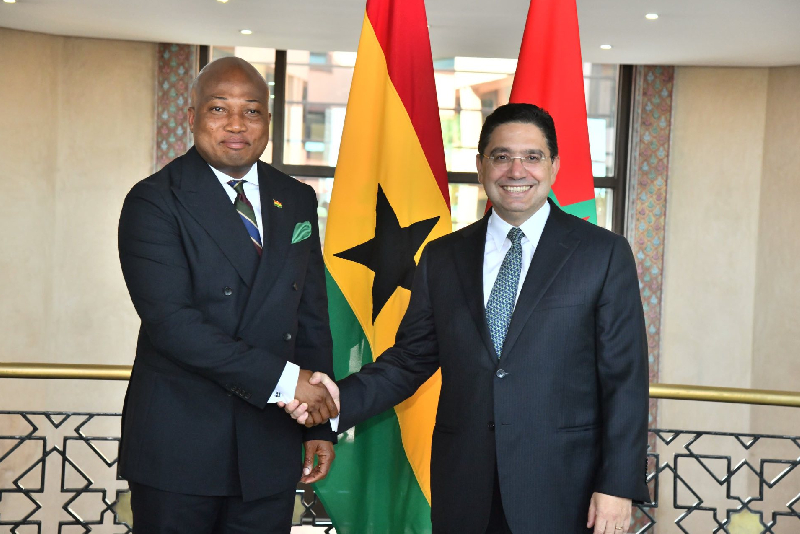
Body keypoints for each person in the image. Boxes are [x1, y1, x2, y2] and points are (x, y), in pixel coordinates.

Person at [283, 104, 650, 533]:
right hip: (465, 488)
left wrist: (617, 486)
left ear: (554, 166)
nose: (517, 170)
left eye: (532, 157)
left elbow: (625, 380)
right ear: (480, 166)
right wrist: (335, 402)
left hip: (566, 490)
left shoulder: (602, 254)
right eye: (501, 156)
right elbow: (410, 360)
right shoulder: (442, 257)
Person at [117, 56, 339, 533]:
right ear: (192, 116)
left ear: (268, 121)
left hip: (269, 443)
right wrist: (287, 382)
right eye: (219, 109)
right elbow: (173, 326)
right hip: (181, 444)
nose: (237, 124)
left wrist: (318, 422)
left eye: (252, 111)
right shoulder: (154, 200)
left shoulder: (296, 198)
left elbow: (310, 315)